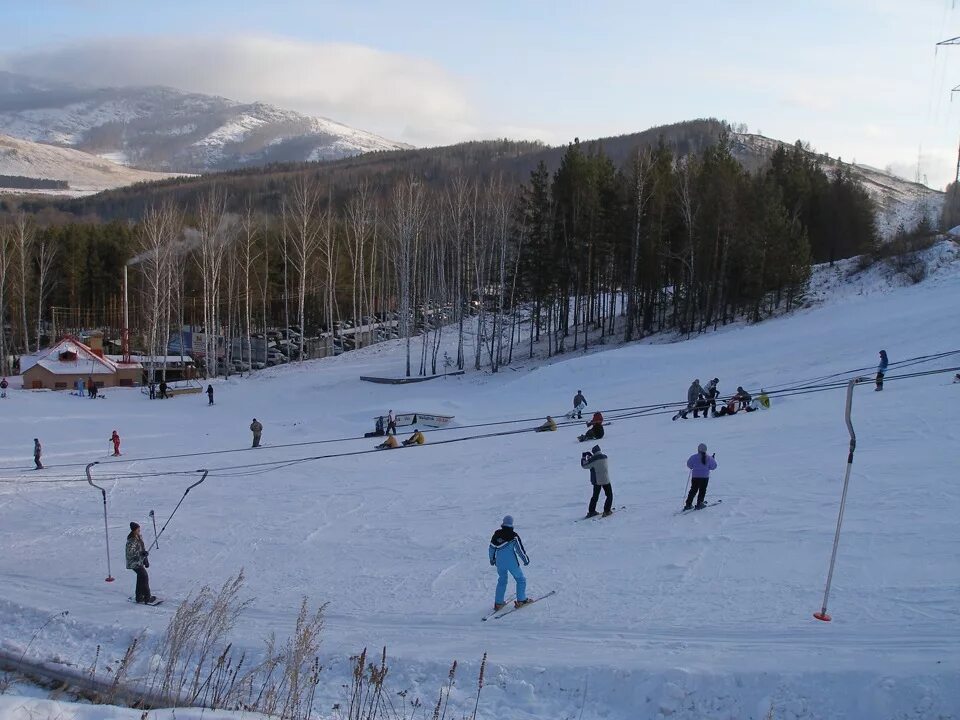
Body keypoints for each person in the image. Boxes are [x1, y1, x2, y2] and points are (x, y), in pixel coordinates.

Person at [488, 515, 532, 611]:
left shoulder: (497, 534)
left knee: (502, 580)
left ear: (503, 523)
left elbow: (491, 548)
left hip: (499, 562)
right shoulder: (514, 536)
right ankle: (521, 600)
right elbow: (519, 550)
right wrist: (525, 560)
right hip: (511, 562)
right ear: (511, 524)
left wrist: (492, 559)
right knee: (520, 579)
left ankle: (498, 603)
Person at [126, 522, 155, 604]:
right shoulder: (131, 540)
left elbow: (142, 549)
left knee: (141, 577)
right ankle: (147, 598)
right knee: (144, 576)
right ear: (134, 530)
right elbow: (130, 553)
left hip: (139, 561)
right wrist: (141, 554)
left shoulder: (139, 537)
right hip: (133, 562)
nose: (139, 530)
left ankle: (139, 597)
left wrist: (145, 560)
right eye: (138, 529)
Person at [581, 445, 613, 518]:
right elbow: (598, 461)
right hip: (606, 479)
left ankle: (591, 511)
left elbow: (584, 465)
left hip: (597, 481)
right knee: (609, 495)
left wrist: (583, 457)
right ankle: (607, 511)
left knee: (595, 496)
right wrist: (591, 457)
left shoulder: (593, 459)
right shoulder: (605, 457)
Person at [684, 443, 718, 510]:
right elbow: (714, 467)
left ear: (698, 449)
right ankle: (700, 503)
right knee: (702, 490)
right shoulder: (709, 458)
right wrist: (713, 459)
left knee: (693, 490)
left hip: (695, 477)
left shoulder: (693, 457)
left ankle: (688, 504)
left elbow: (689, 465)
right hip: (704, 477)